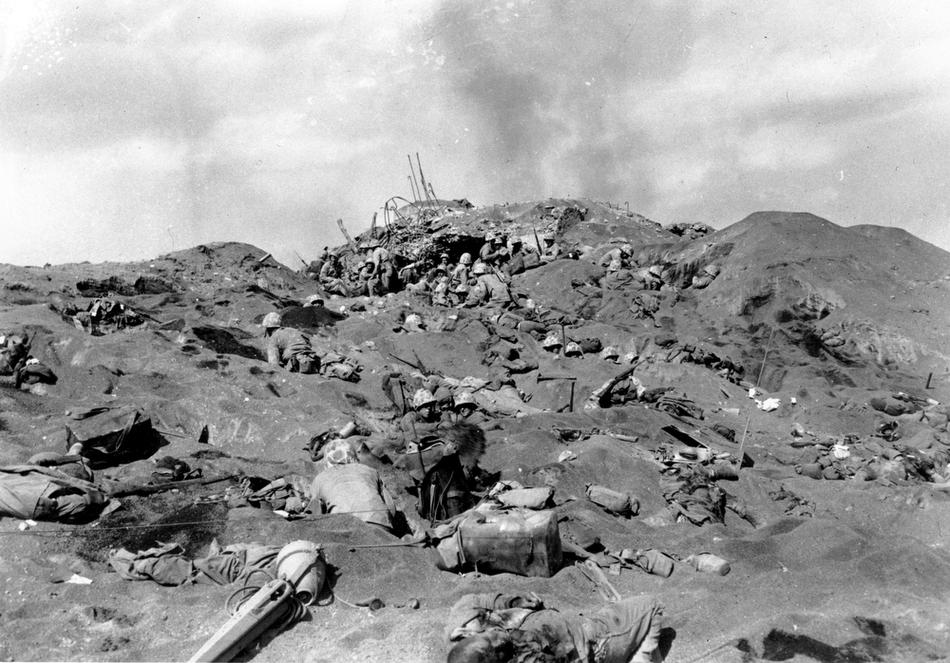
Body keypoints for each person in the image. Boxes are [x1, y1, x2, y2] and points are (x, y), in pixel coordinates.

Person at [446, 592, 669, 663]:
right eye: (490, 638)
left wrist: (514, 602)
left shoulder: (470, 648)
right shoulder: (528, 654)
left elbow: (471, 602)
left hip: (572, 629)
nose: (493, 631)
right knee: (651, 605)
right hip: (592, 639)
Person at [309, 439, 398, 533]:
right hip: (379, 525)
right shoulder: (370, 470)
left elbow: (314, 516)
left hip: (343, 528)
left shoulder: (320, 478)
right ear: (353, 455)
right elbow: (391, 507)